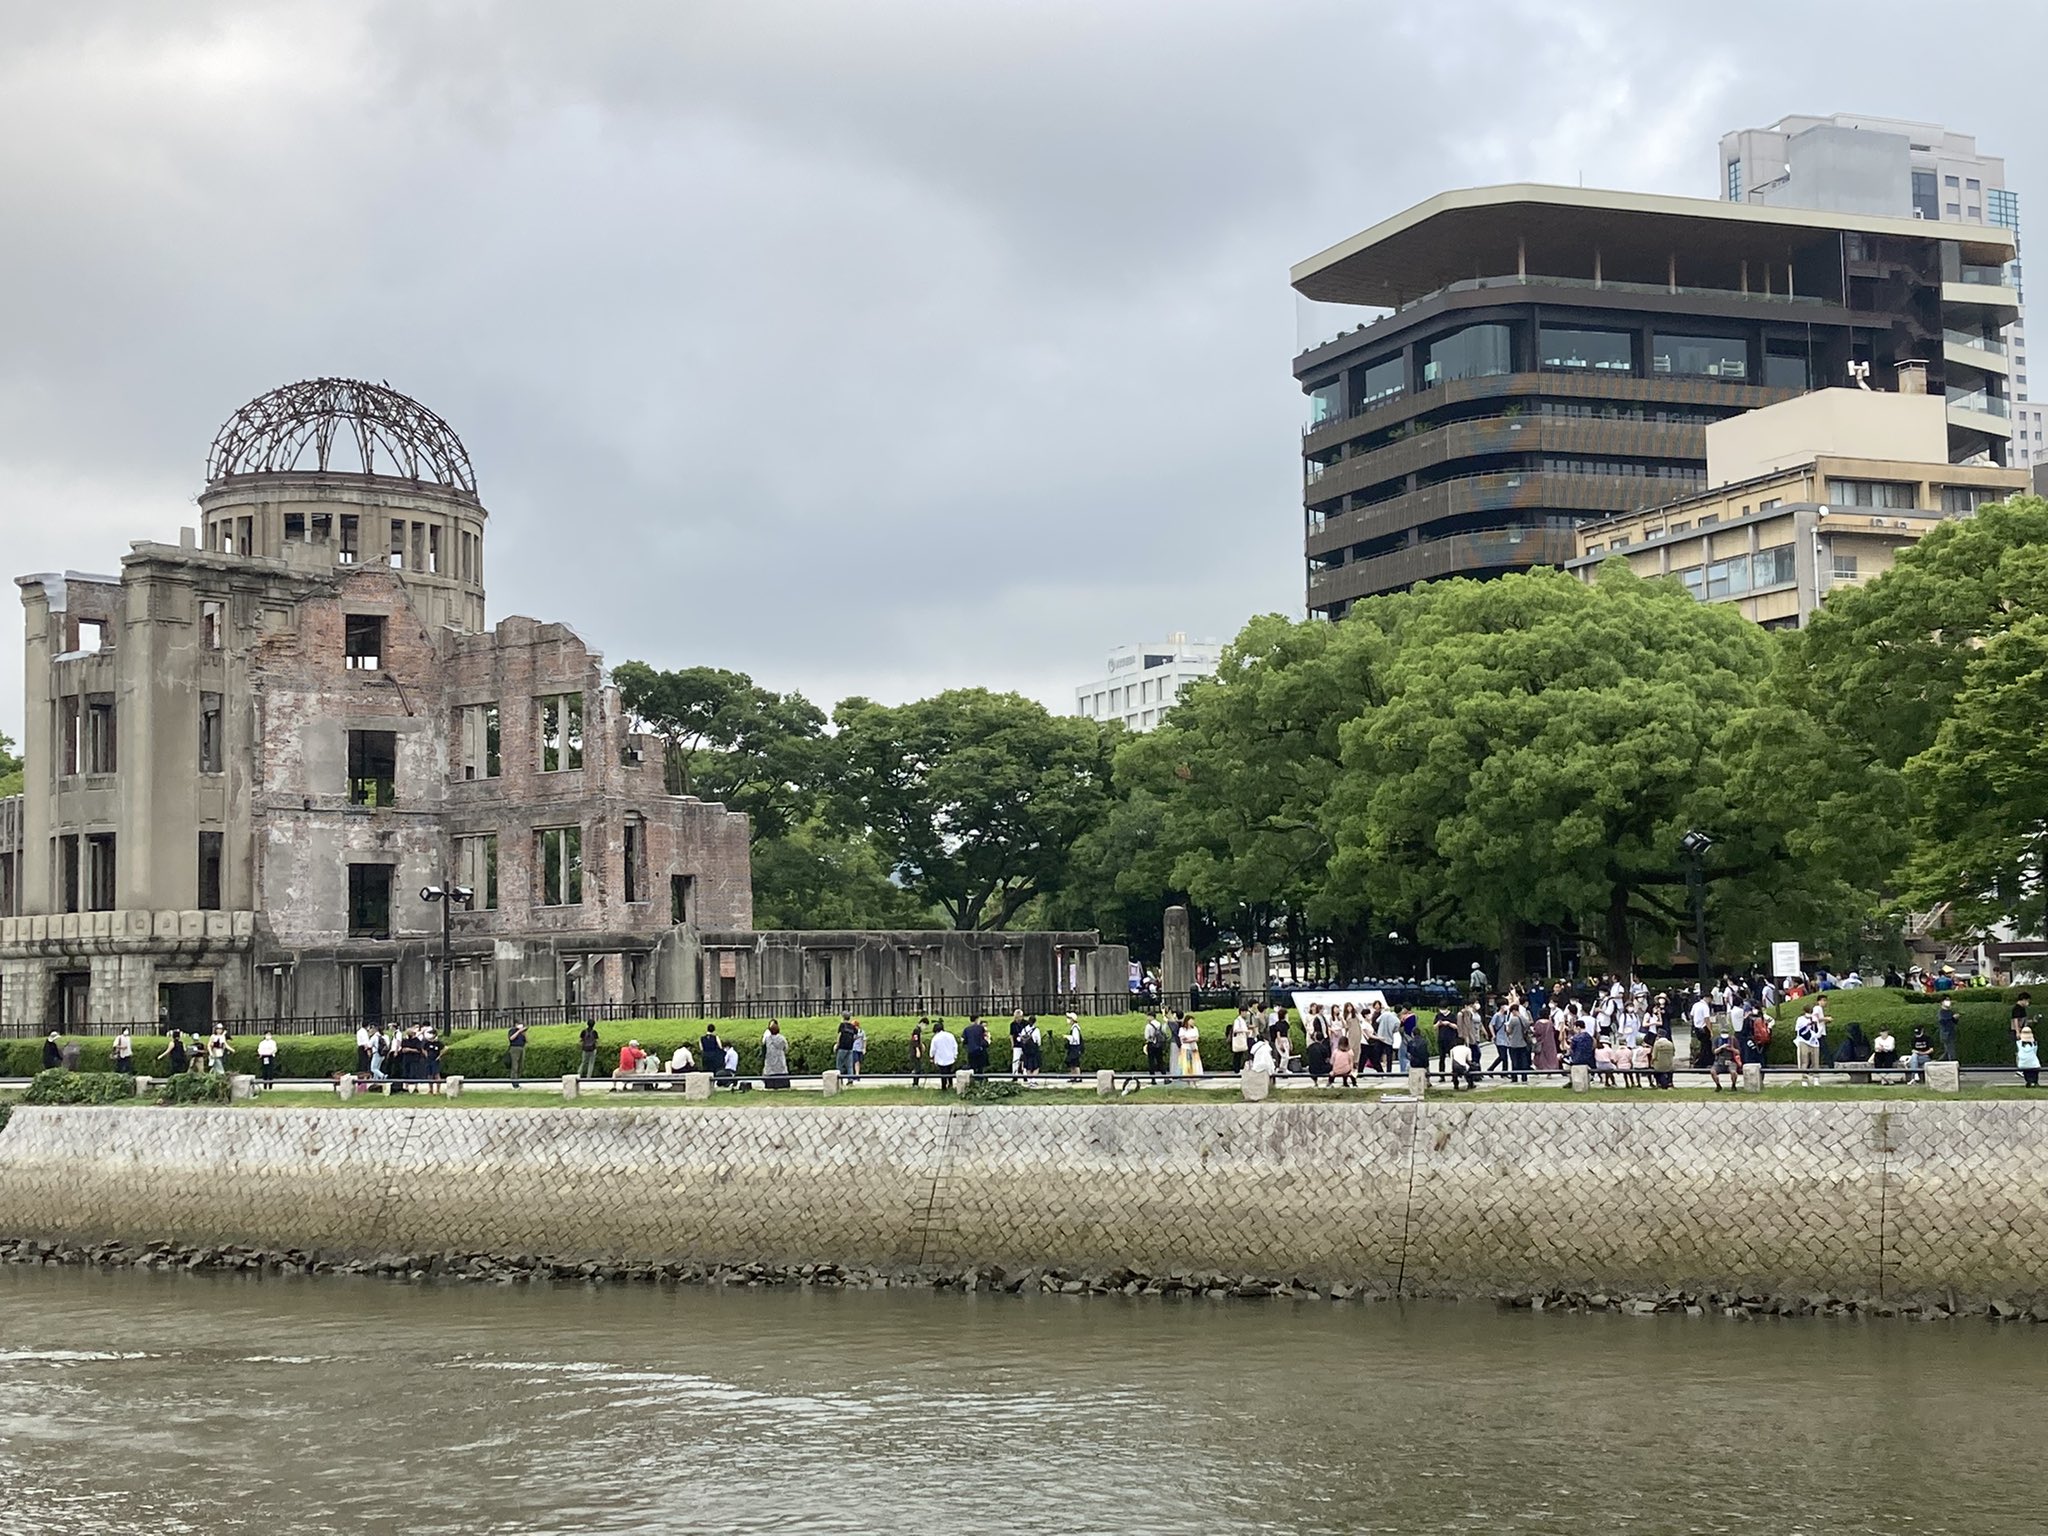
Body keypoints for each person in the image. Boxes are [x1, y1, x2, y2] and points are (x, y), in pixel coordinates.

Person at [929, 1018, 959, 1090]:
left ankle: (944, 1086)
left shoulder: (935, 1038)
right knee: (949, 1071)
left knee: (943, 1073)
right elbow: (955, 1045)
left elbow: (933, 1049)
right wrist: (955, 1054)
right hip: (950, 1057)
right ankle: (950, 1084)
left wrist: (931, 1056)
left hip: (941, 1058)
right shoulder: (950, 1035)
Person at [1711, 1023, 1741, 1092]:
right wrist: (1721, 1047)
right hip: (1719, 1061)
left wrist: (1731, 1049)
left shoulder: (1733, 1039)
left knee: (1733, 1072)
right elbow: (1714, 1051)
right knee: (1713, 1071)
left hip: (1731, 1061)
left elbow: (1738, 1052)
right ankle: (1718, 1085)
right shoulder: (1717, 1040)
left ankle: (1733, 1085)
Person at [1795, 1011, 1822, 1087]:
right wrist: (1808, 1024)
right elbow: (1799, 1031)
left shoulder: (1815, 1019)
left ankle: (1816, 1079)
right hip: (1803, 1041)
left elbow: (1818, 1029)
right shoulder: (1800, 1019)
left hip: (1814, 1041)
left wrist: (1815, 1024)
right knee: (1804, 1060)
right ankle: (1804, 1079)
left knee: (1815, 1060)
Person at [1143, 1012, 1169, 1084]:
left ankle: (1153, 1079)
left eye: (1148, 1016)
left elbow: (1146, 1037)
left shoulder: (1148, 1026)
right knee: (1160, 1061)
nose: (1147, 1018)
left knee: (1151, 1062)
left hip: (1151, 1045)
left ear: (1151, 1017)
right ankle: (1165, 1078)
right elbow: (1163, 1032)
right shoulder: (1159, 1024)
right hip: (1159, 1045)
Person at [506, 1021, 527, 1087]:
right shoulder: (512, 1030)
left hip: (521, 1048)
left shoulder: (522, 1033)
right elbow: (511, 1038)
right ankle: (514, 1082)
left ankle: (518, 1080)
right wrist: (518, 1032)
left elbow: (527, 1040)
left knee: (520, 1065)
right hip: (514, 1048)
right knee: (515, 1065)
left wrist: (524, 1033)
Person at [1937, 997, 1959, 1061]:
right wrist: (1952, 1018)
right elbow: (1943, 1021)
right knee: (1951, 1051)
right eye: (1946, 1000)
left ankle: (1939, 1062)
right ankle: (1953, 1063)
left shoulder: (1950, 1011)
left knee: (1947, 1051)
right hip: (1946, 1034)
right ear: (1942, 1002)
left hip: (1951, 1033)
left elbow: (1953, 1022)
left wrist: (1955, 1018)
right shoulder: (1941, 1012)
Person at [1063, 1013, 1084, 1081]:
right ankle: (1073, 1076)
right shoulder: (1073, 1027)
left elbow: (1075, 1039)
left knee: (1075, 1063)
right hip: (1072, 1047)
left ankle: (1078, 1077)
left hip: (1075, 1047)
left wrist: (1067, 1037)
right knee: (1072, 1063)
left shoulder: (1075, 1028)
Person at [2019, 1025, 2040, 1089]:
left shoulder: (2019, 1043)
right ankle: (2034, 1081)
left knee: (2026, 1069)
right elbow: (2035, 1052)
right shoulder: (2034, 1044)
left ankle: (2029, 1081)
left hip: (2023, 1064)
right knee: (2034, 1066)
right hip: (2034, 1064)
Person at [908, 1018, 926, 1088]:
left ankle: (916, 1083)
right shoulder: (916, 1030)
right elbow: (915, 1041)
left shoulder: (918, 1031)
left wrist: (922, 1045)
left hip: (917, 1051)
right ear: (922, 1023)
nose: (925, 1027)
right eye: (925, 1025)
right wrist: (917, 1050)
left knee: (918, 1068)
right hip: (915, 1052)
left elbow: (918, 1040)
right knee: (917, 1068)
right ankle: (915, 1084)